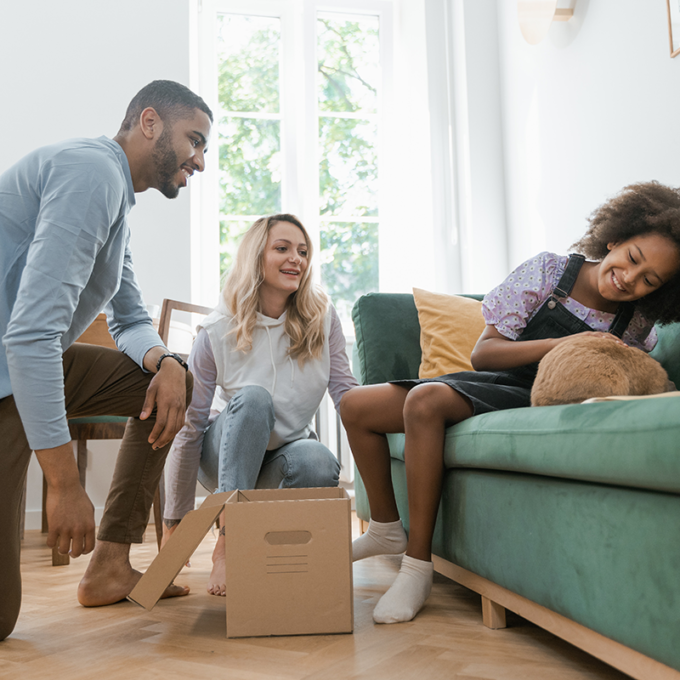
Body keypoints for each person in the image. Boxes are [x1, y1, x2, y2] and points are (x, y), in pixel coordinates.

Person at [341, 181, 680, 624]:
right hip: (500, 379)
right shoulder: (548, 271)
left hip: (541, 401)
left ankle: (417, 566)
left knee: (424, 402)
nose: (630, 278)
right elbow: (484, 355)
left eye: (648, 281)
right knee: (354, 406)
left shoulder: (636, 324)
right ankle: (386, 529)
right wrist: (564, 343)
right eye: (632, 259)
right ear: (615, 238)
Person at [0, 80, 213, 640]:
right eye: (194, 140)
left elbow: (129, 315)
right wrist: (66, 486)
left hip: (22, 368)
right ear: (149, 123)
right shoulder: (91, 172)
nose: (200, 160)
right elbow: (29, 336)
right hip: (11, 371)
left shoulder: (113, 193)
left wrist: (166, 361)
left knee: (173, 381)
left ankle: (111, 563)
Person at [162, 213, 358, 596]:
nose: (296, 259)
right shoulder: (217, 330)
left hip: (281, 458)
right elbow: (192, 425)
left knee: (318, 459)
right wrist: (176, 516)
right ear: (256, 257)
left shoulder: (322, 319)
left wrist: (385, 416)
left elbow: (346, 393)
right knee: (253, 400)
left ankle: (274, 555)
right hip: (223, 457)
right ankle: (230, 540)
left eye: (302, 251)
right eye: (282, 249)